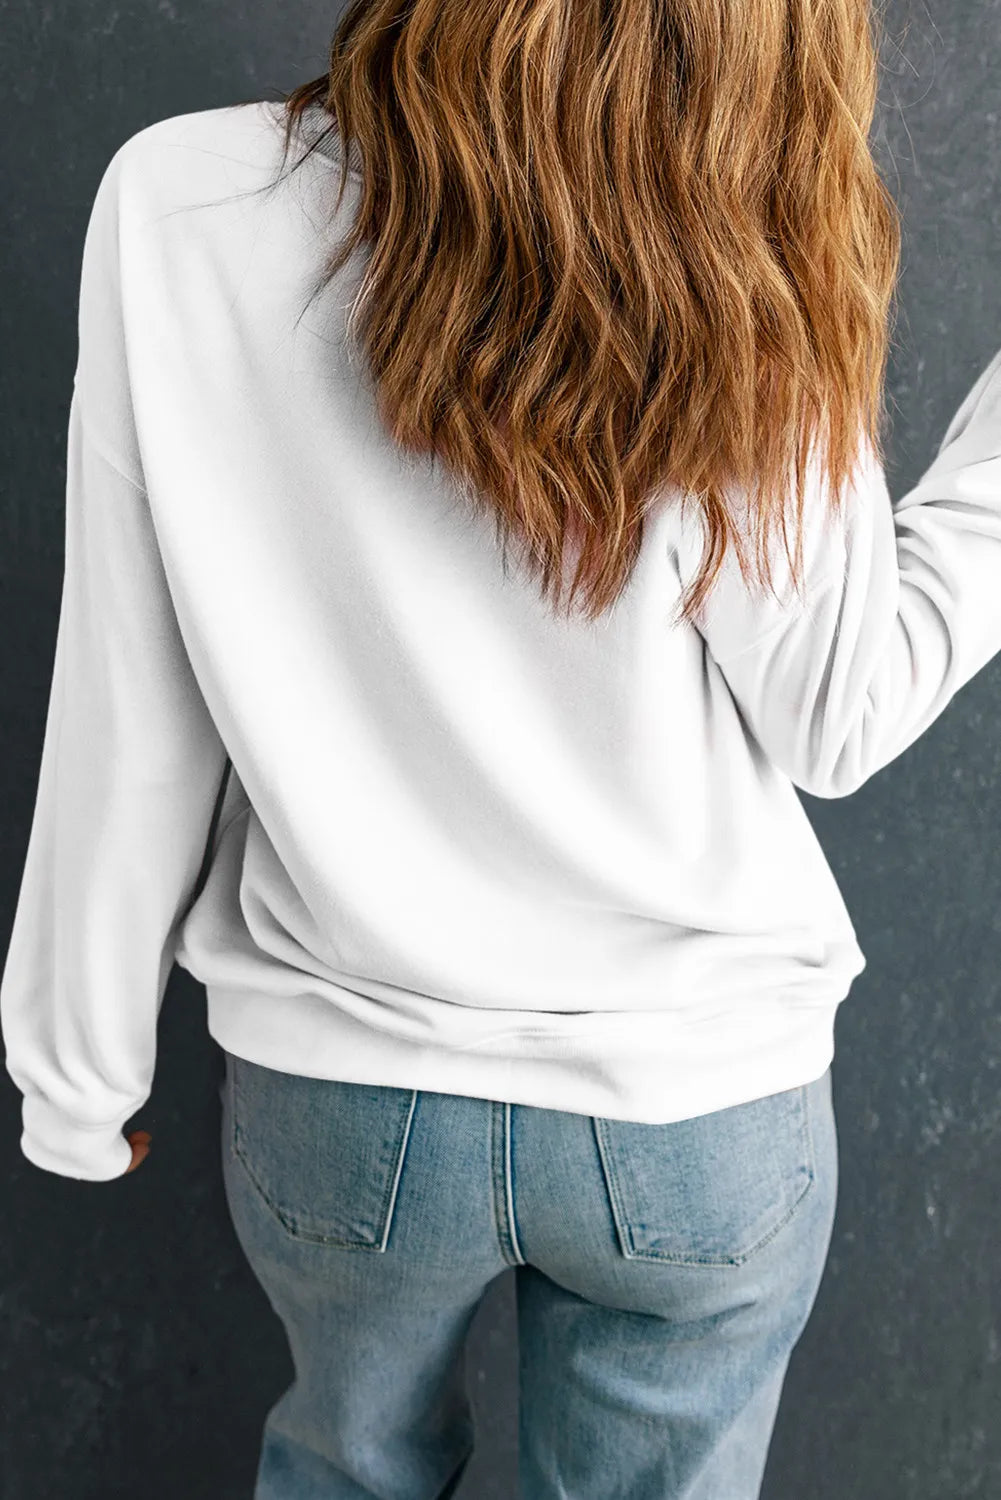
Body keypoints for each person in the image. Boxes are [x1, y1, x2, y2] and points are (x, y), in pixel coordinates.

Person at [2, 2, 1000, 1496]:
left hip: (342, 1100)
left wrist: (75, 1073)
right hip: (696, 1110)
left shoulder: (181, 200)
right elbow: (839, 715)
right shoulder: (746, 238)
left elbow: (132, 688)